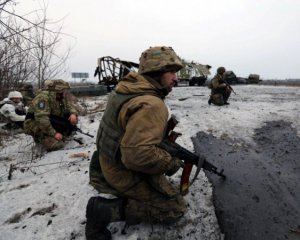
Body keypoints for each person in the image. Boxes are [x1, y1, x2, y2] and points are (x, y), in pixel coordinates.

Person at [86, 46, 187, 240]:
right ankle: (100, 211)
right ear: (156, 73)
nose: (176, 78)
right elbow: (137, 155)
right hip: (122, 169)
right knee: (174, 209)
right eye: (172, 72)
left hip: (107, 160)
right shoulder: (152, 104)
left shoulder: (127, 88)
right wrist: (170, 162)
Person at [23, 79, 78, 152]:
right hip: (35, 123)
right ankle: (40, 138)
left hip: (50, 121)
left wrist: (73, 114)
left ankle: (54, 133)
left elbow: (70, 107)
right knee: (57, 144)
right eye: (65, 91)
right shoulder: (42, 98)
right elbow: (42, 119)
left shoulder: (60, 97)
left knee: (68, 124)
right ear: (59, 90)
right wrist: (54, 133)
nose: (66, 93)